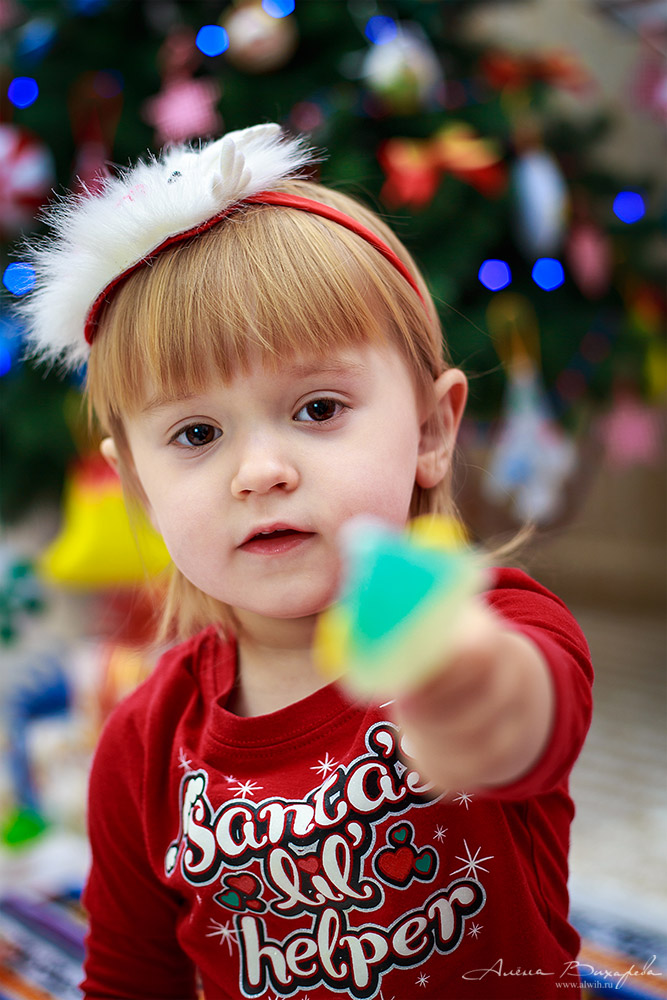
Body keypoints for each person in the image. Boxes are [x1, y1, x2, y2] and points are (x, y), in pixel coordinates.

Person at [21, 123, 592, 999]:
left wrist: (470, 679)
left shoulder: (497, 624)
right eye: (197, 433)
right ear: (135, 481)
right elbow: (131, 977)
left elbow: (525, 723)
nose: (261, 472)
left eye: (318, 408)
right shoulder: (142, 743)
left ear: (432, 431)